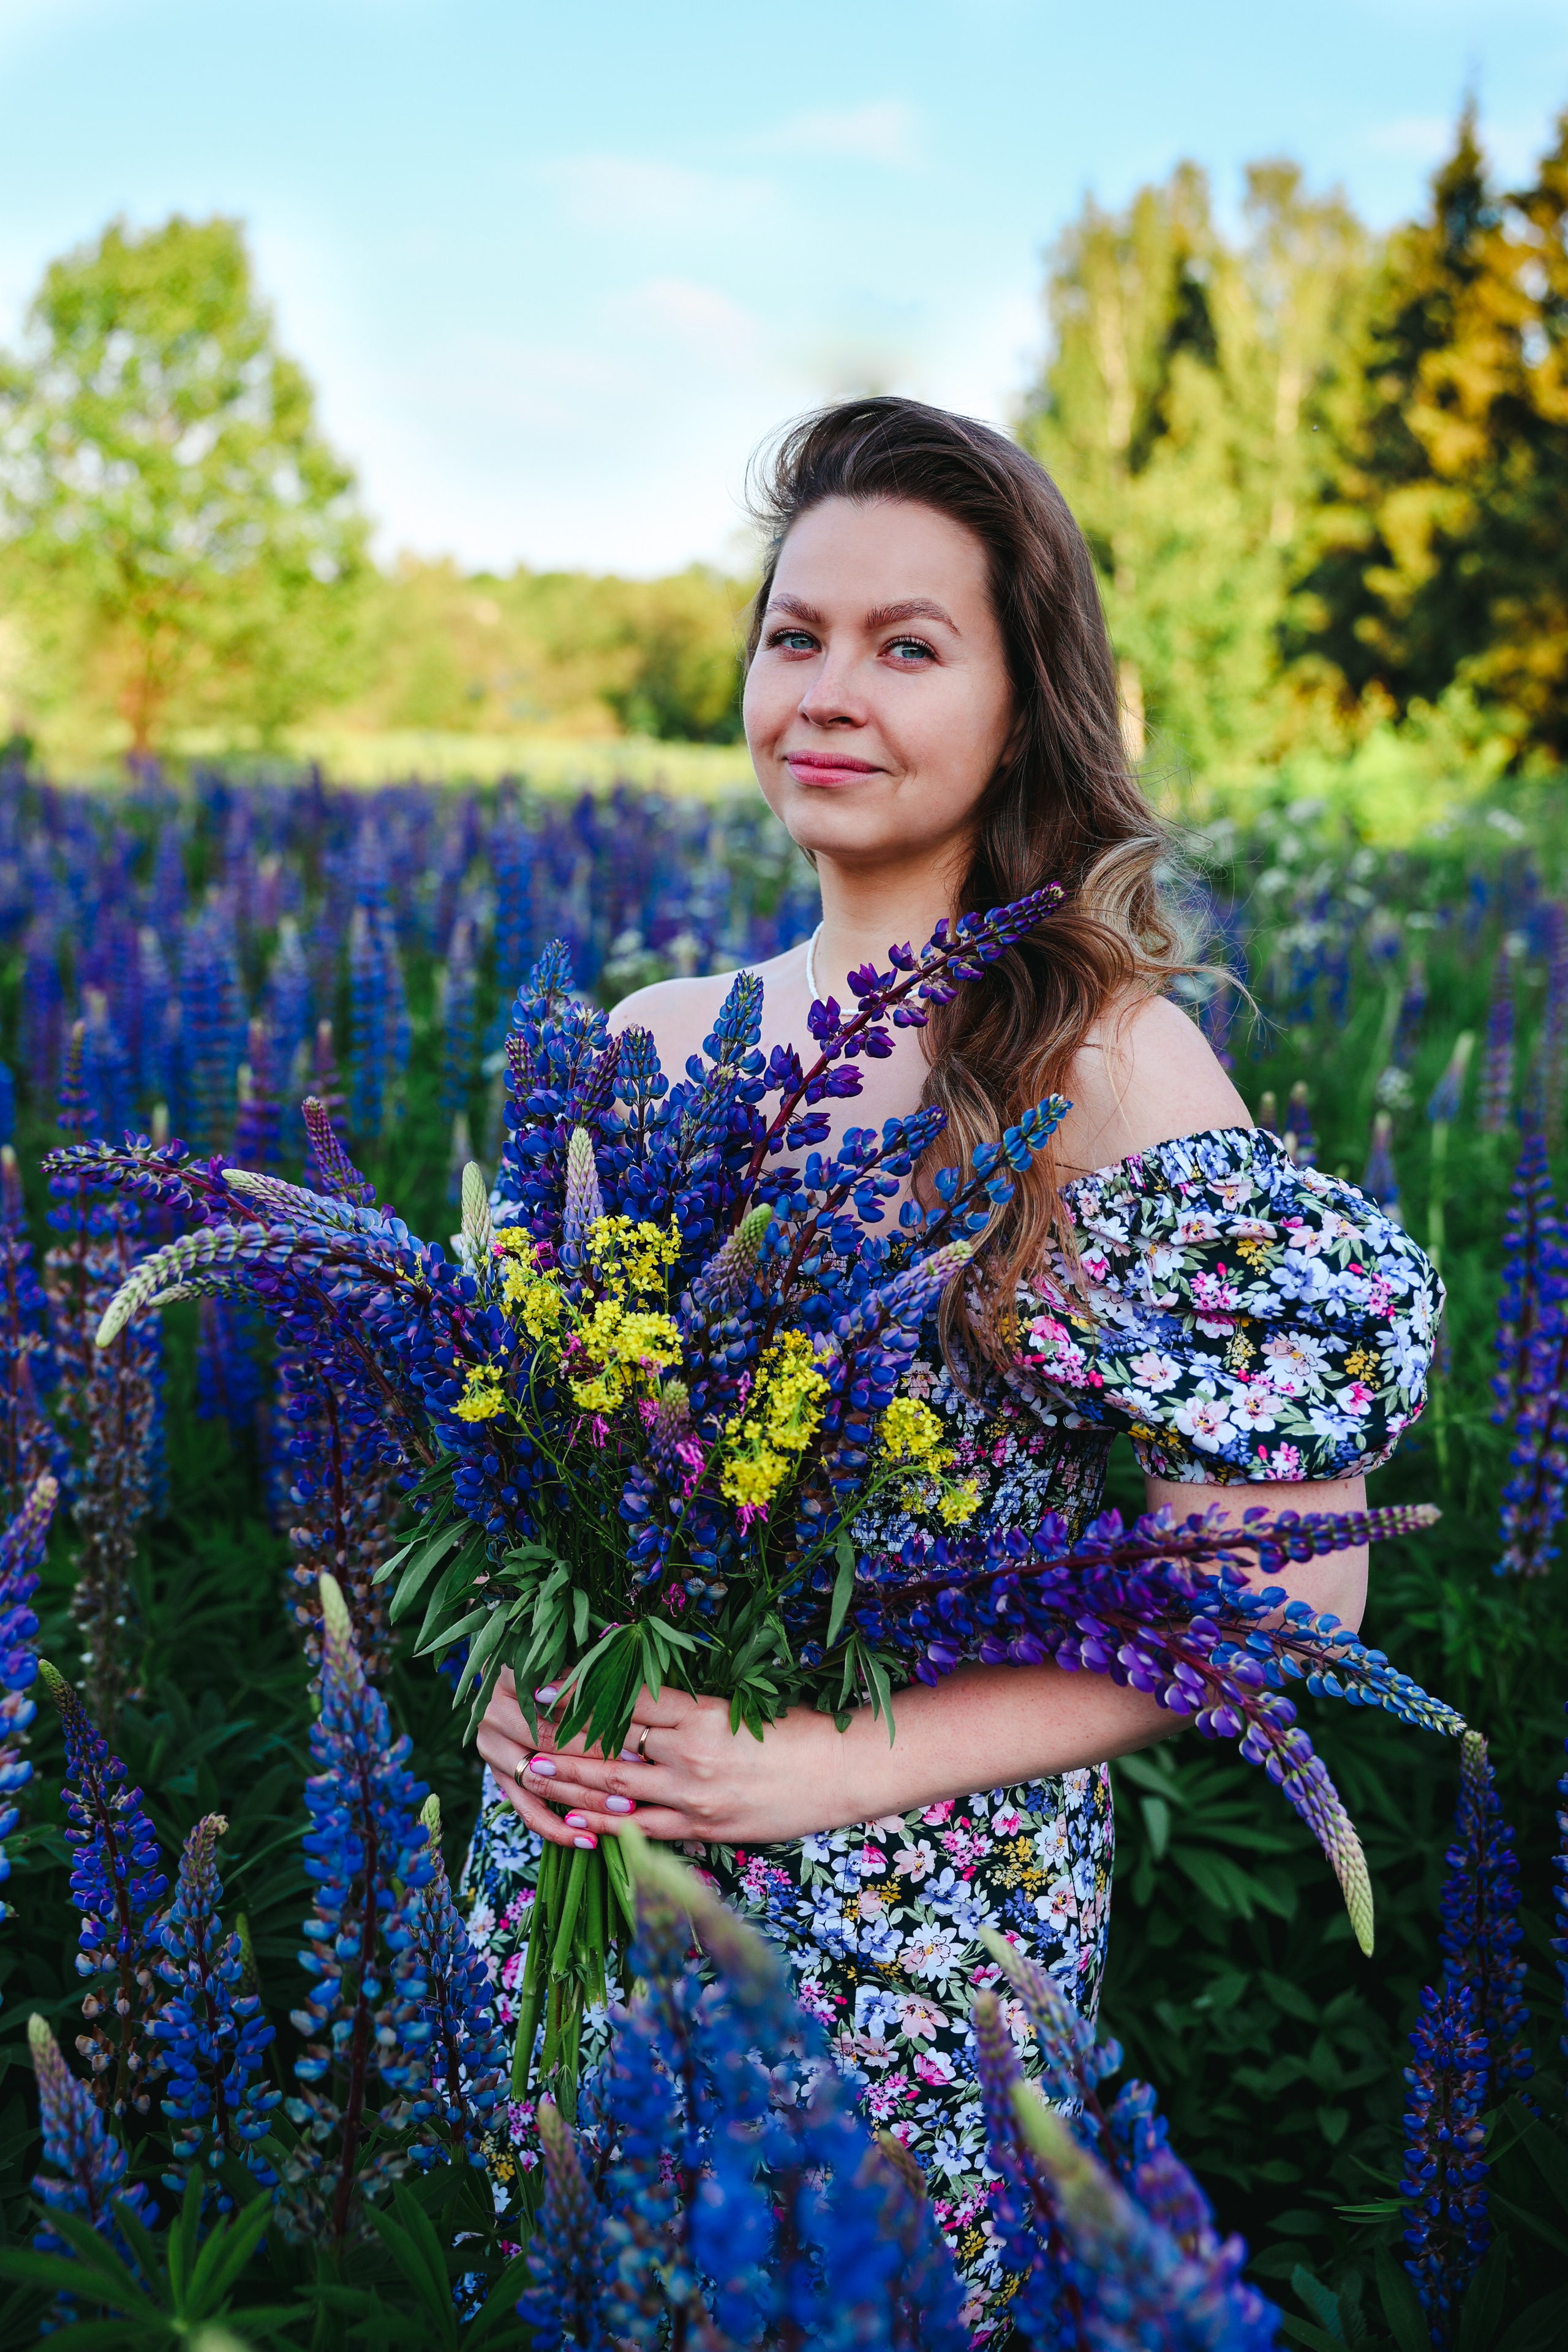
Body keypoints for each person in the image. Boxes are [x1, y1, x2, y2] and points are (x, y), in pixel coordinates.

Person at [462, 396, 1441, 2335]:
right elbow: (540, 1482)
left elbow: (1291, 1580)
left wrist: (826, 1766)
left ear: (1024, 701)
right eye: (793, 634)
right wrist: (514, 1685)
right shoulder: (658, 1036)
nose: (827, 692)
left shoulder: (1104, 1062)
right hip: (575, 1899)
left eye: (909, 645)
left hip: (904, 1932)